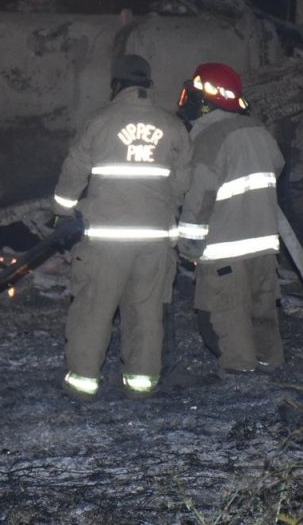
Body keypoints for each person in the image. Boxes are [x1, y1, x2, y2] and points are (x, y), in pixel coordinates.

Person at [52, 53, 192, 400]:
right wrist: (163, 211)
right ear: (148, 85)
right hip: (155, 241)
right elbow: (182, 184)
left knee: (93, 310)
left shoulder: (99, 121)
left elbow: (73, 172)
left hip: (105, 241)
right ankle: (141, 384)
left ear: (115, 84)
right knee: (146, 312)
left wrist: (63, 212)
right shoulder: (173, 126)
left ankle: (83, 383)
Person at [175, 62, 286, 374]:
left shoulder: (208, 137)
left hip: (225, 248)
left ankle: (241, 375)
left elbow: (199, 195)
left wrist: (189, 245)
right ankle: (270, 363)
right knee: (262, 309)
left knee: (226, 312)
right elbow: (277, 166)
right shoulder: (258, 130)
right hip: (264, 244)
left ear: (206, 101)